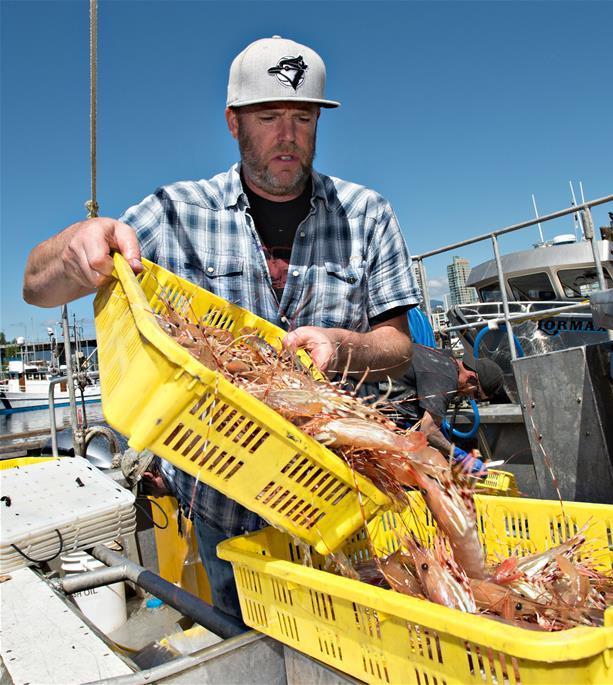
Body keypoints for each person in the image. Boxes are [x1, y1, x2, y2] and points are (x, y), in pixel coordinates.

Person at [22, 37, 420, 620]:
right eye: (268, 117)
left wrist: (344, 346)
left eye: (302, 117)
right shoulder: (174, 211)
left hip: (345, 506)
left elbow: (398, 346)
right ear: (234, 123)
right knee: (248, 645)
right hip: (226, 509)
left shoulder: (367, 214)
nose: (287, 135)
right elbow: (35, 286)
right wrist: (74, 251)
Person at [380, 344, 505, 470]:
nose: (470, 398)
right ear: (471, 378)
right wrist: (459, 455)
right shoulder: (448, 378)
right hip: (372, 395)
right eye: (476, 394)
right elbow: (428, 430)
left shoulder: (445, 357)